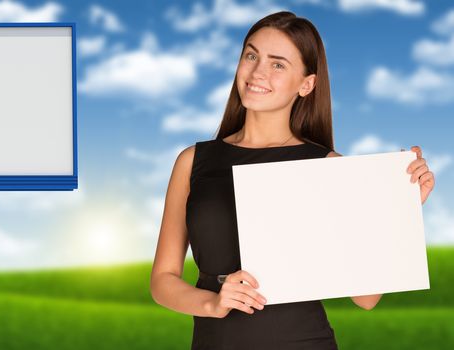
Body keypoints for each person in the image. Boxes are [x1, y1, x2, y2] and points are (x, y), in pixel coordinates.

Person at [149, 11, 436, 350]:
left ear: (307, 84)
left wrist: (400, 209)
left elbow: (366, 297)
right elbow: (162, 281)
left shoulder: (329, 167)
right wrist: (213, 304)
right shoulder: (193, 162)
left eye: (278, 64)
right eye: (251, 55)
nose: (258, 72)